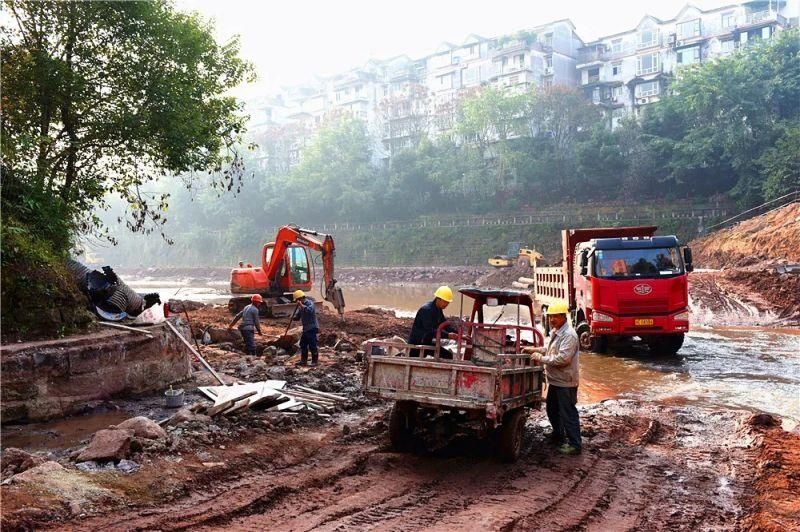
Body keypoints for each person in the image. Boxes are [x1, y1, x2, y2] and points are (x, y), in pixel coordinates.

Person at [523, 301, 581, 455]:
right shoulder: (557, 332)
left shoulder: (569, 335)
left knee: (568, 413)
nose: (552, 320)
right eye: (550, 317)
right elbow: (549, 349)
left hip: (566, 382)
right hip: (556, 380)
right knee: (552, 409)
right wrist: (534, 349)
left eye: (556, 316)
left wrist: (540, 358)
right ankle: (558, 434)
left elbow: (563, 359)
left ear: (564, 317)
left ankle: (575, 445)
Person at [408, 286, 459, 359]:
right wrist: (448, 335)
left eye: (448, 303)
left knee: (448, 356)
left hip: (426, 343)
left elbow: (445, 325)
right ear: (438, 299)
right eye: (445, 302)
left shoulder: (438, 310)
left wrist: (459, 334)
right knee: (416, 363)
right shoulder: (426, 310)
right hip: (417, 345)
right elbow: (430, 331)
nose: (446, 305)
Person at [292, 290, 319, 367]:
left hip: (312, 328)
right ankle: (303, 361)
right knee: (303, 344)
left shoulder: (310, 303)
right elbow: (298, 316)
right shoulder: (301, 306)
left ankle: (315, 361)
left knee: (312, 345)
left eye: (297, 300)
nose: (297, 302)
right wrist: (294, 318)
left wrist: (301, 305)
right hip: (306, 329)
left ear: (300, 298)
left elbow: (309, 311)